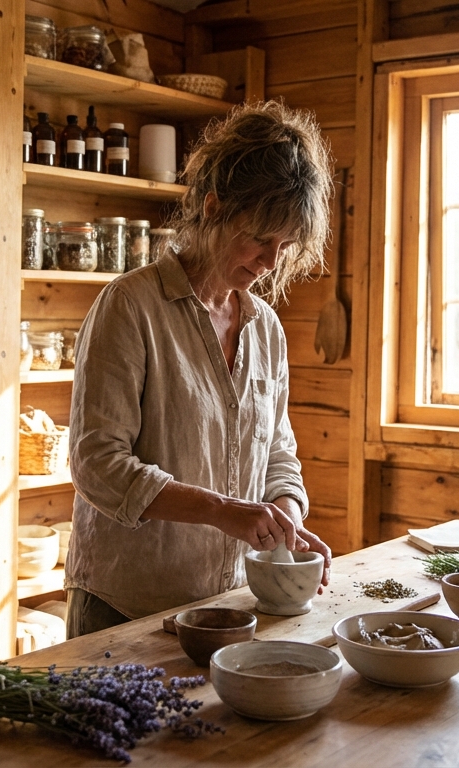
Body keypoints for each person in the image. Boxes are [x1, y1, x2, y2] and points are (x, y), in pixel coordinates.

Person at [63, 102, 335, 638]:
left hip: (231, 603)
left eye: (285, 246)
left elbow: (278, 453)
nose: (270, 261)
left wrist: (286, 515)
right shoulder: (131, 306)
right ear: (213, 208)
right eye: (260, 238)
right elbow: (97, 463)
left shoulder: (266, 329)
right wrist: (220, 510)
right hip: (127, 604)